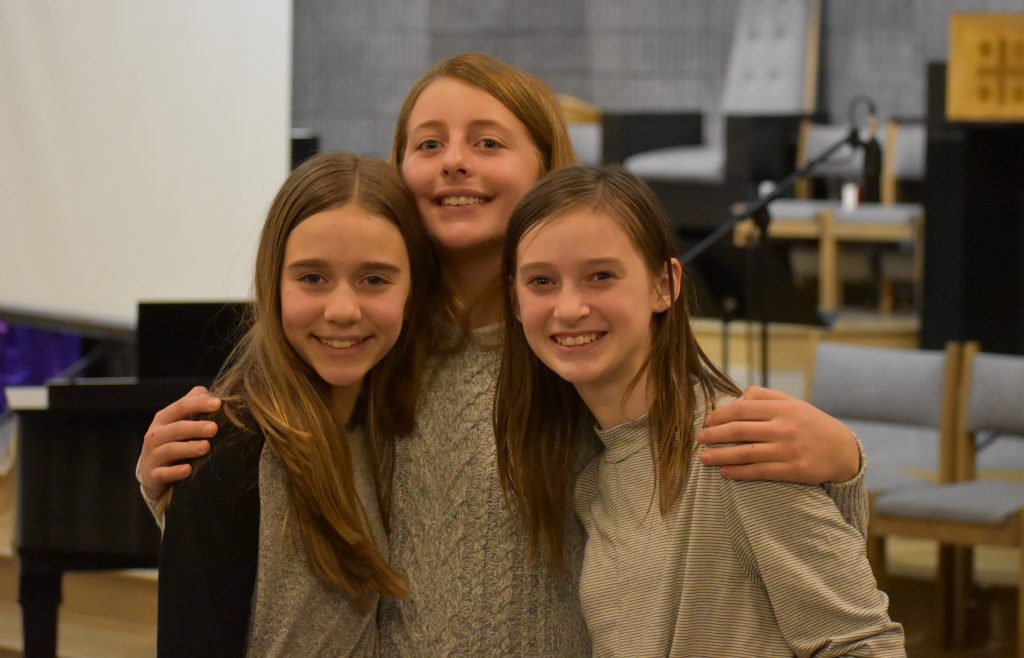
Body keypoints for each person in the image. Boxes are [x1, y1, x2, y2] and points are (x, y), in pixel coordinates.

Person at [141, 53, 868, 656]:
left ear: (547, 168)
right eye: (429, 145)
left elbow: (726, 509)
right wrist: (186, 495)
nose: (455, 163)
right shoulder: (373, 342)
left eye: (488, 143)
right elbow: (299, 549)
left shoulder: (578, 348)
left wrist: (843, 463)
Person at [495, 164, 905, 657]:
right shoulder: (591, 480)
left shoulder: (736, 445)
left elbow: (866, 646)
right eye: (542, 281)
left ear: (664, 285)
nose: (569, 308)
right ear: (515, 302)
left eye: (600, 276)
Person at [157, 152, 436, 657]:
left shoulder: (391, 429)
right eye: (312, 278)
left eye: (375, 279)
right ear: (274, 283)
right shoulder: (228, 454)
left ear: (413, 290)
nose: (343, 310)